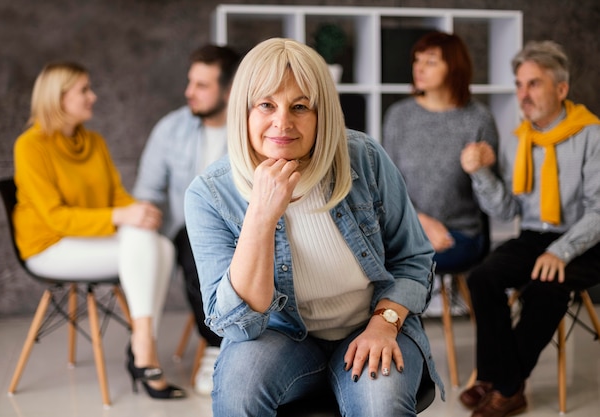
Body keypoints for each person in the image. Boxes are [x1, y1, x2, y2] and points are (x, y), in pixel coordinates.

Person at [184, 37, 444, 416]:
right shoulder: (209, 193)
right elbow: (238, 325)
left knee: (381, 402)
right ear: (243, 111)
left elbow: (414, 258)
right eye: (266, 105)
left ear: (323, 114)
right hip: (276, 335)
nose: (282, 123)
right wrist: (260, 215)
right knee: (238, 389)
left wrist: (384, 325)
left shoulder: (364, 159)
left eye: (300, 106)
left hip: (368, 323)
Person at [12, 62, 184, 400]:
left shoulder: (93, 141)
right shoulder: (30, 146)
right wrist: (124, 215)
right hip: (49, 246)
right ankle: (143, 350)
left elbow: (115, 196)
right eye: (84, 90)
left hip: (89, 237)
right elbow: (55, 218)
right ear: (58, 99)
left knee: (161, 246)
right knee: (143, 242)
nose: (94, 96)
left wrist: (138, 210)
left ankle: (142, 342)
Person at [459, 40, 600, 417]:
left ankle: (502, 384)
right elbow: (506, 209)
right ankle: (503, 378)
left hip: (586, 239)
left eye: (534, 84)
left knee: (547, 287)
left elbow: (599, 211)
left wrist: (561, 251)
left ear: (561, 89)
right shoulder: (519, 141)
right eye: (520, 84)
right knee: (483, 278)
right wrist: (480, 174)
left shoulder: (591, 135)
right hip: (535, 235)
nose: (523, 94)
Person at [133, 43, 240, 395]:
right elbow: (147, 192)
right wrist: (145, 214)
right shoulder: (171, 128)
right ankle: (215, 345)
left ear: (230, 88)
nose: (188, 93)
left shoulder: (254, 126)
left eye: (202, 85)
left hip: (249, 230)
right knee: (194, 240)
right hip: (190, 236)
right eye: (190, 82)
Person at [382, 31, 499, 274]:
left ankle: (397, 313)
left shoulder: (478, 119)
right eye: (417, 59)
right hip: (406, 227)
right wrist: (420, 223)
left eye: (431, 61)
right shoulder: (399, 116)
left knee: (397, 265)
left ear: (454, 67)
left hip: (458, 235)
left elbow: (491, 202)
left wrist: (481, 169)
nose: (419, 68)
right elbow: (388, 186)